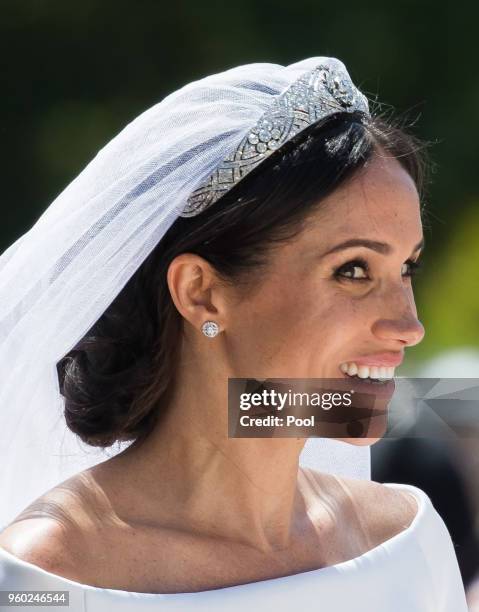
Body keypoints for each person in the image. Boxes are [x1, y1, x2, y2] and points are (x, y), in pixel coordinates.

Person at [0, 57, 468, 610]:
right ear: (202, 292)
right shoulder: (44, 580)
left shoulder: (409, 543)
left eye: (407, 268)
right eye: (354, 270)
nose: (410, 327)